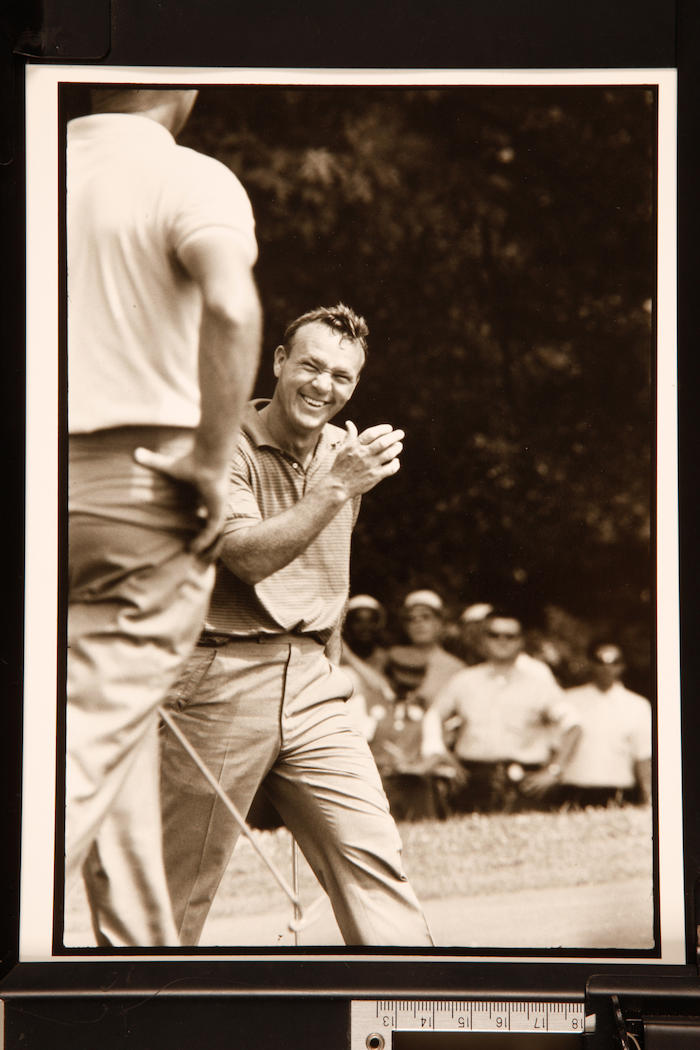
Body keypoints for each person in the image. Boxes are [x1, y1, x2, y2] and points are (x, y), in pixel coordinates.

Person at [159, 304, 433, 946]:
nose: (323, 385)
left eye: (342, 376)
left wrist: (332, 669)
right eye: (310, 365)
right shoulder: (217, 445)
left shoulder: (345, 453)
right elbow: (248, 556)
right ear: (279, 362)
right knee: (175, 890)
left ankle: (414, 1014)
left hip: (313, 680)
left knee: (373, 857)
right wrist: (336, 488)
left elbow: (323, 574)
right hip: (218, 677)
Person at [66, 87, 262, 945]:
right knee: (77, 750)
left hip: (40, 481)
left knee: (112, 732)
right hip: (139, 488)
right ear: (180, 83)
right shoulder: (187, 176)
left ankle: (145, 981)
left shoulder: (36, 165)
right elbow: (231, 305)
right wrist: (213, 460)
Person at [422, 610, 580, 812]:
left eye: (510, 636)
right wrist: (440, 754)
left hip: (524, 782)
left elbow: (574, 725)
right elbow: (433, 715)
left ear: (521, 641)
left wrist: (554, 770)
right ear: (483, 639)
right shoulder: (464, 681)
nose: (502, 641)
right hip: (473, 779)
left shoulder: (539, 684)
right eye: (494, 635)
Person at [552, 642, 652, 807]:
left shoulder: (638, 705)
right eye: (600, 662)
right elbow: (554, 747)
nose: (607, 668)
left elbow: (642, 755)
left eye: (614, 663)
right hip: (573, 791)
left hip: (619, 792)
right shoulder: (569, 699)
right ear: (591, 664)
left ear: (623, 666)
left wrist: (648, 797)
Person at [387, 590, 466, 707]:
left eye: (426, 617)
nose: (418, 623)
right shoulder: (392, 660)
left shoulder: (456, 668)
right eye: (411, 619)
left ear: (440, 623)